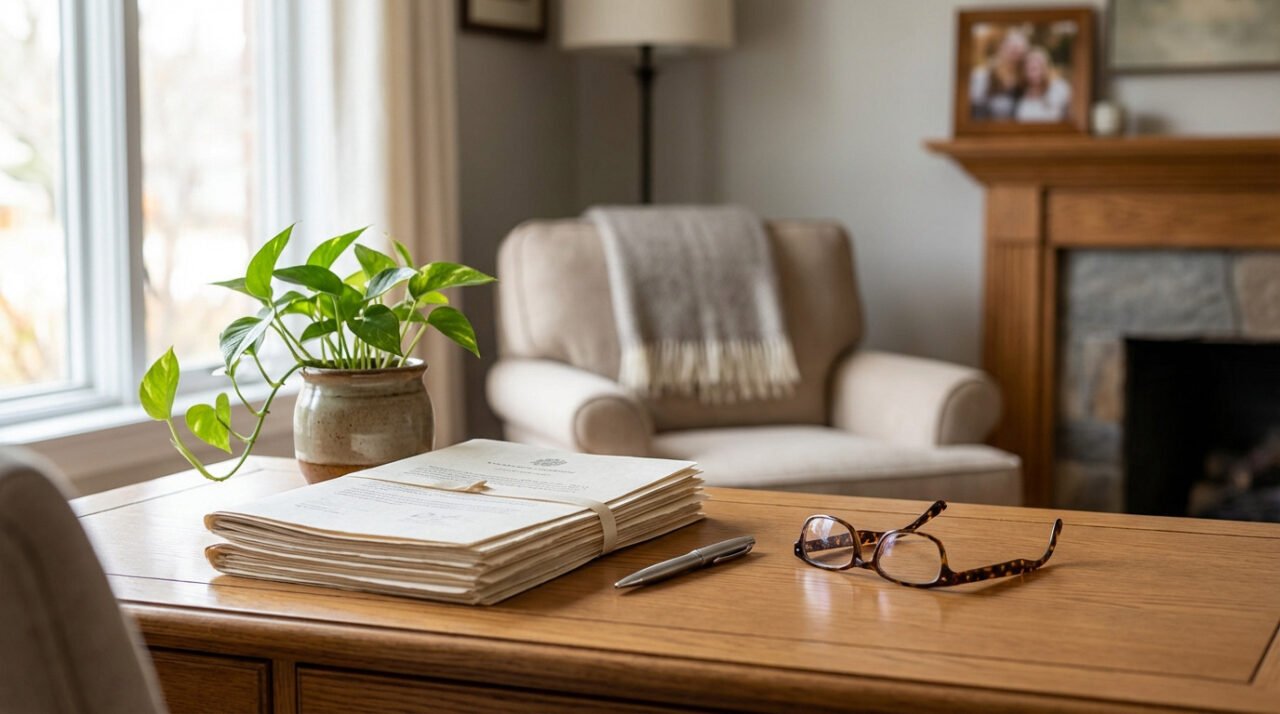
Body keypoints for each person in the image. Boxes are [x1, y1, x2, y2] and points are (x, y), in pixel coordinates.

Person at [969, 29, 1028, 120]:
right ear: (1002, 48)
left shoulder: (1023, 80)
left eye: (1020, 54)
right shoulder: (982, 76)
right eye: (1013, 51)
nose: (1015, 57)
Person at [1015, 47, 1071, 122]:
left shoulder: (1060, 88)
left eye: (1040, 67)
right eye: (1032, 69)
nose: (1036, 73)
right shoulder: (1021, 93)